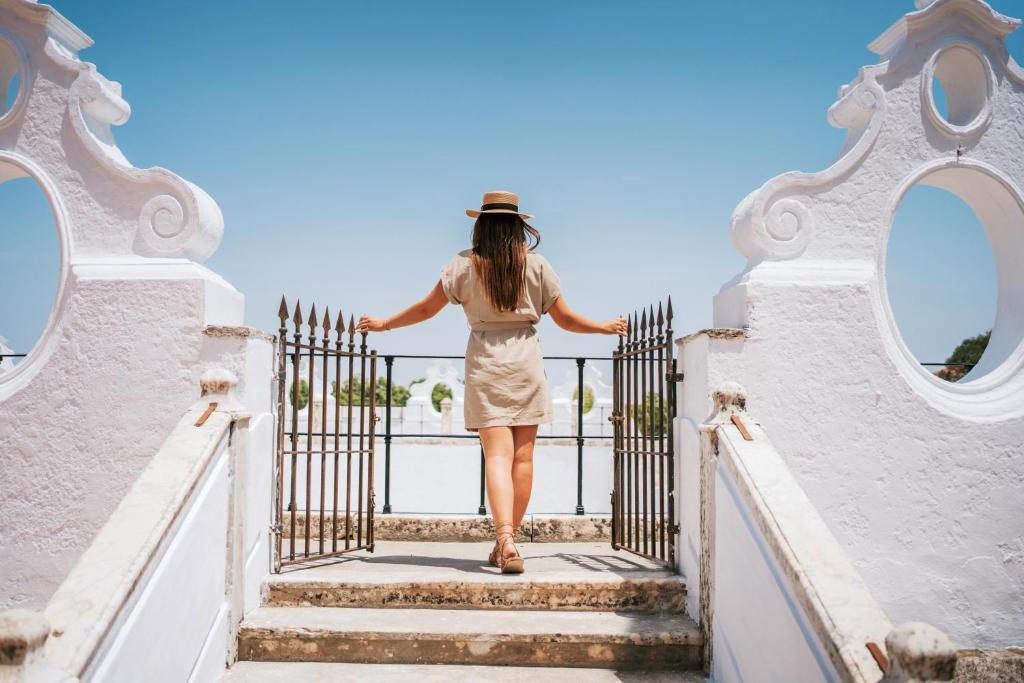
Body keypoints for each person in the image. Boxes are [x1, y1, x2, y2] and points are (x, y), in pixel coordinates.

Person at [357, 191, 626, 573]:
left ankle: (504, 540)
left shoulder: (464, 265)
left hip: (486, 361)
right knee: (523, 457)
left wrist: (385, 323)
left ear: (480, 225)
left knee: (496, 456)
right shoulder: (538, 266)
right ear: (519, 227)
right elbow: (565, 320)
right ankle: (509, 542)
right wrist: (603, 327)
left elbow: (425, 308)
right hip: (526, 362)